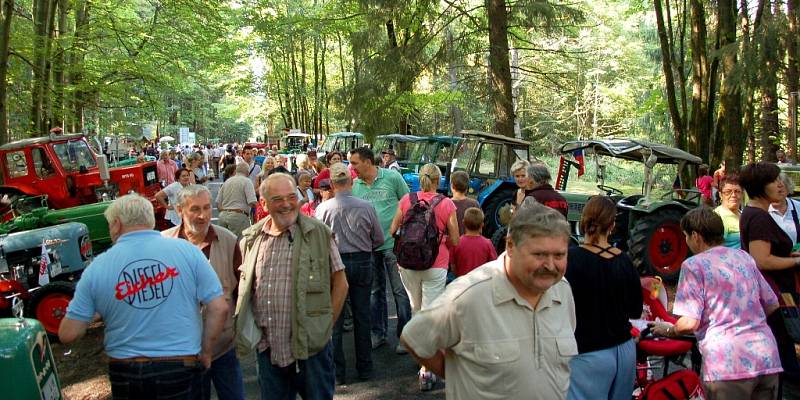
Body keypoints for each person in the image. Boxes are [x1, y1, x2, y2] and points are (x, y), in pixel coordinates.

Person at [59, 194, 228, 400]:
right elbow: (219, 307)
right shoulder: (187, 251)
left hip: (127, 371)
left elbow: (68, 333)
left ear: (116, 224)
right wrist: (207, 351)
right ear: (151, 220)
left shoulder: (98, 266)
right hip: (180, 363)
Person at [400, 203, 577, 399]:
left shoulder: (562, 290)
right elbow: (414, 338)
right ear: (510, 246)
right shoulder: (469, 295)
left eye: (559, 255)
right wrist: (458, 377)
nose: (550, 265)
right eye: (539, 254)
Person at [234, 173, 349, 400]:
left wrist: (324, 327)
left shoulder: (317, 233)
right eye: (277, 199)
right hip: (268, 348)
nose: (286, 204)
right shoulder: (251, 239)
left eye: (291, 197)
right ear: (263, 203)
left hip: (311, 348)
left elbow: (341, 283)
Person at [652, 207, 782, 400]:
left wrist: (667, 330)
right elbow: (772, 304)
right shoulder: (744, 257)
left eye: (686, 236)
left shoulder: (694, 265)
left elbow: (689, 323)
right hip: (766, 358)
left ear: (695, 236)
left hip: (727, 365)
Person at [162, 185, 245, 400]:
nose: (203, 216)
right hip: (181, 353)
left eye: (207, 208)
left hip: (224, 349)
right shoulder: (162, 245)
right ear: (179, 211)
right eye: (195, 209)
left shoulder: (228, 241)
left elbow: (242, 291)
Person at [565, 196, 642, 400]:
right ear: (612, 224)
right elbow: (636, 310)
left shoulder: (571, 260)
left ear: (583, 220)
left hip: (588, 353)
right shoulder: (624, 261)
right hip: (624, 351)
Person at [390, 162, 459, 388]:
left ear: (419, 179)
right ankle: (427, 369)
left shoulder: (407, 200)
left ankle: (420, 354)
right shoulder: (446, 203)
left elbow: (392, 231)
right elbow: (456, 240)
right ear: (439, 180)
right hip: (435, 264)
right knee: (431, 313)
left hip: (408, 264)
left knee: (417, 310)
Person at [315, 163, 384, 384]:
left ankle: (337, 373)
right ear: (351, 182)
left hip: (335, 265)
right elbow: (379, 239)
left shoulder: (323, 209)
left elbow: (317, 242)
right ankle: (365, 368)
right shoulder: (366, 207)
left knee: (334, 318)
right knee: (362, 316)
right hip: (363, 260)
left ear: (333, 184)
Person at [739, 162, 800, 391]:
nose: (780, 184)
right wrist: (795, 261)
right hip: (775, 295)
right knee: (783, 350)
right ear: (761, 187)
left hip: (774, 292)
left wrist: (788, 253)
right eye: (774, 180)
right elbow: (761, 260)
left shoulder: (756, 214)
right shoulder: (760, 218)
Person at [349, 146, 412, 354]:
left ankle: (405, 336)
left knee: (400, 291)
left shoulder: (392, 177)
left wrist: (402, 232)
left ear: (367, 161)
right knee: (375, 292)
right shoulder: (355, 186)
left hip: (393, 246)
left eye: (355, 163)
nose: (352, 167)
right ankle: (379, 333)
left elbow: (409, 204)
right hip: (369, 248)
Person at [451, 207, 497, 277]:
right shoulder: (487, 244)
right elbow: (493, 265)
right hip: (481, 283)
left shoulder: (457, 242)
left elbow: (453, 266)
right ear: (482, 224)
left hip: (462, 282)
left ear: (463, 222)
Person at [216, 162, 257, 238]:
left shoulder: (227, 181)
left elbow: (218, 203)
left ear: (236, 171)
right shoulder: (247, 181)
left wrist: (226, 210)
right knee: (239, 246)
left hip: (223, 216)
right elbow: (252, 202)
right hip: (239, 217)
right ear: (248, 172)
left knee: (223, 244)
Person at [769, 172, 800, 247]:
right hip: (770, 256)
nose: (778, 194)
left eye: (781, 191)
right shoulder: (762, 210)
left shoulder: (797, 206)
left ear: (788, 189)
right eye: (775, 190)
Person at [713, 175, 743, 249]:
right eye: (728, 192)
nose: (733, 195)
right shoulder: (716, 216)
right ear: (720, 195)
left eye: (737, 191)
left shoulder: (742, 214)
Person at [450, 171, 480, 236]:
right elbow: (479, 230)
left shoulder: (446, 204)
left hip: (451, 244)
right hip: (470, 244)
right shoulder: (475, 204)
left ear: (452, 186)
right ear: (467, 187)